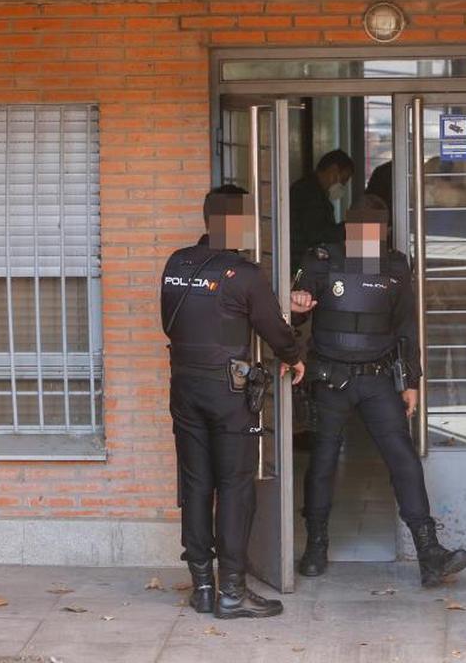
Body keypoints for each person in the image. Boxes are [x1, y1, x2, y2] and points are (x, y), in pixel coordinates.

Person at [289, 198, 466, 587]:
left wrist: (411, 381)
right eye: (360, 231)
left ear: (384, 231)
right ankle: (316, 546)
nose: (368, 238)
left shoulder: (394, 266)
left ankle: (429, 552)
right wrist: (297, 302)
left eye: (375, 231)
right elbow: (296, 306)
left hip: (377, 379)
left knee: (403, 459)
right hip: (330, 379)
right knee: (322, 463)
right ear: (347, 230)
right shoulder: (322, 259)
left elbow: (406, 327)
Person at [160, 184, 306, 619]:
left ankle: (203, 587)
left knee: (196, 484)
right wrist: (294, 357)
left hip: (184, 387)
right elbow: (274, 329)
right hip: (228, 393)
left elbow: (167, 325)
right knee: (236, 487)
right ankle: (232, 593)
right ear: (239, 223)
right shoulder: (244, 274)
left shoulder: (175, 264)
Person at [289, 150, 354, 268]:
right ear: (334, 171)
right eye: (344, 180)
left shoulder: (313, 191)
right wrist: (351, 228)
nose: (343, 186)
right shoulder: (308, 193)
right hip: (302, 263)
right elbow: (317, 234)